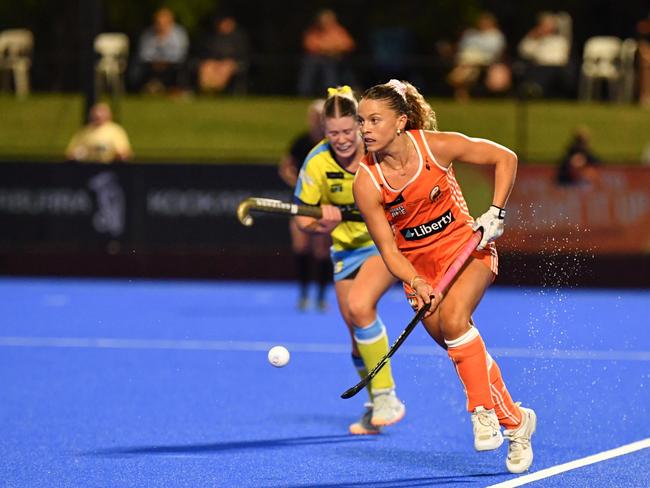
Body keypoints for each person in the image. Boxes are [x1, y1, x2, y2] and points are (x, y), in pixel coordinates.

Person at [353, 79, 536, 473]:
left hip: (468, 250)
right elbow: (389, 251)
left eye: (374, 120)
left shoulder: (434, 146)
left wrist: (496, 213)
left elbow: (506, 158)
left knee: (455, 322)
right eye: (361, 121)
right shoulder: (366, 182)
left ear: (401, 122)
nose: (365, 129)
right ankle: (517, 422)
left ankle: (481, 411)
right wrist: (417, 282)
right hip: (419, 271)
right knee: (464, 350)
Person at [294, 86, 406, 435]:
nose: (341, 139)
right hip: (346, 250)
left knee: (360, 307)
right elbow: (302, 217)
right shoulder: (317, 161)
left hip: (384, 243)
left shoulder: (379, 152)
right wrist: (320, 222)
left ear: (359, 126)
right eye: (333, 133)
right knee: (354, 330)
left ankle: (387, 394)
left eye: (347, 131)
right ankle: (375, 404)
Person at [278, 99, 332, 311]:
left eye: (320, 117)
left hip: (324, 203)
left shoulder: (331, 144)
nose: (316, 121)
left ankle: (320, 296)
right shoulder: (301, 141)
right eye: (314, 116)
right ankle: (303, 294)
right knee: (301, 245)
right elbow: (286, 166)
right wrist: (299, 183)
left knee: (321, 249)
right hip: (302, 202)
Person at [446, 12, 510, 100]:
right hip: (465, 59)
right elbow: (462, 47)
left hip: (485, 60)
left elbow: (496, 52)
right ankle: (459, 86)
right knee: (468, 64)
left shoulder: (497, 36)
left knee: (469, 64)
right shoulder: (471, 33)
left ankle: (456, 79)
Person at [129, 7, 189, 94]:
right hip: (151, 65)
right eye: (158, 23)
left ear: (171, 22)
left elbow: (180, 53)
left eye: (164, 23)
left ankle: (177, 89)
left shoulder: (179, 34)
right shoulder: (147, 34)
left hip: (172, 65)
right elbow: (143, 54)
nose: (161, 26)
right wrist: (156, 61)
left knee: (184, 66)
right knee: (136, 65)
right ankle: (139, 89)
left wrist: (165, 60)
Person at [297, 9, 356, 97]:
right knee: (311, 63)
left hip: (336, 59)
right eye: (322, 20)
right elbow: (309, 45)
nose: (324, 22)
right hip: (317, 59)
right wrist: (328, 49)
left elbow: (348, 45)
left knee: (330, 64)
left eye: (327, 20)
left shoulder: (338, 30)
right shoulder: (314, 31)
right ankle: (305, 92)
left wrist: (332, 50)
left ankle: (331, 89)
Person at [516, 12, 572, 98]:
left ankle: (537, 89)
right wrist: (533, 37)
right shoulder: (534, 39)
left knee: (549, 70)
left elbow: (562, 56)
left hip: (556, 68)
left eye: (550, 25)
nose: (547, 27)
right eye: (545, 25)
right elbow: (523, 51)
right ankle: (535, 89)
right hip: (538, 66)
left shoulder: (559, 39)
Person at [197, 15, 250, 94]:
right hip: (216, 61)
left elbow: (242, 54)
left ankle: (217, 91)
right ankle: (206, 91)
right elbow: (208, 52)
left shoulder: (239, 37)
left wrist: (228, 61)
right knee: (207, 66)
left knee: (225, 67)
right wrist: (214, 61)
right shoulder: (215, 37)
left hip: (232, 62)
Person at [65, 102, 132, 163]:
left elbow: (125, 153)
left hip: (109, 167)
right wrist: (80, 153)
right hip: (86, 167)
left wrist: (114, 154)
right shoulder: (84, 132)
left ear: (108, 115)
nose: (98, 116)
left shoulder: (116, 131)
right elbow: (70, 154)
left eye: (101, 114)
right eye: (95, 115)